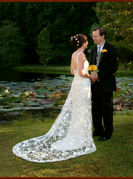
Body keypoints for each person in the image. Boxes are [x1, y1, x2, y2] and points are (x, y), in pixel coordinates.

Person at [12, 34, 96, 163]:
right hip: (83, 85)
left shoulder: (74, 54)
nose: (88, 42)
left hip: (76, 84)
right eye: (86, 41)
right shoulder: (82, 55)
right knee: (82, 109)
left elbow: (72, 72)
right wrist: (91, 75)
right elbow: (80, 73)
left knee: (77, 110)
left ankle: (77, 135)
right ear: (83, 43)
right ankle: (81, 137)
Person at [90, 27, 118, 142]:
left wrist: (99, 75)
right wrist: (92, 75)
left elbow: (113, 67)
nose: (94, 38)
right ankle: (98, 129)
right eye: (93, 36)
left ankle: (107, 133)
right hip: (95, 84)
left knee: (106, 110)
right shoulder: (93, 50)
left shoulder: (111, 48)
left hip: (106, 84)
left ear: (103, 36)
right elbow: (92, 65)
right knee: (95, 109)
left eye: (96, 36)